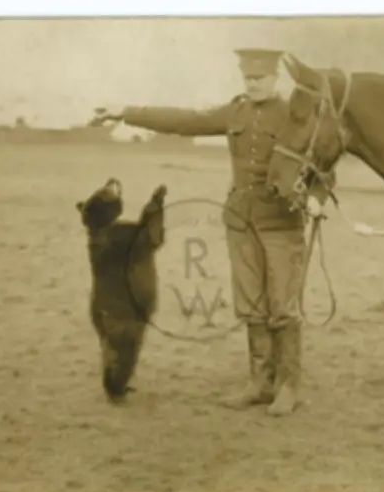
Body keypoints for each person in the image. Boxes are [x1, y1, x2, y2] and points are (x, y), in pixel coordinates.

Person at [88, 48, 333, 417]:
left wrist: (316, 197)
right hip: (240, 222)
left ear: (275, 79)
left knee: (282, 306)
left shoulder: (295, 116)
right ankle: (259, 382)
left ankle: (289, 386)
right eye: (248, 78)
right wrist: (127, 112)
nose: (253, 84)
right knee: (251, 304)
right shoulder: (235, 112)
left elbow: (324, 166)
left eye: (260, 78)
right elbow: (186, 121)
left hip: (282, 223)